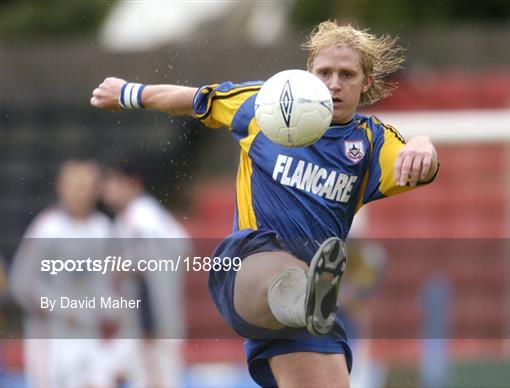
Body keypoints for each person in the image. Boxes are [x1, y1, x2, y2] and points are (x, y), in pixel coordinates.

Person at [91, 20, 439, 387]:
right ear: (309, 72)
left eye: (347, 74)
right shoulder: (267, 103)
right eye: (325, 72)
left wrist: (423, 146)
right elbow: (194, 100)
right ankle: (304, 293)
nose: (334, 84)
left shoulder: (372, 142)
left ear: (366, 82)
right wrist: (130, 92)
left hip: (307, 314)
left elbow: (421, 166)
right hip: (247, 266)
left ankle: (307, 298)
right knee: (283, 272)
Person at [9, 160, 113, 388]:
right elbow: (21, 283)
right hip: (52, 337)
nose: (81, 194)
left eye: (87, 187)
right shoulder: (48, 227)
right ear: (61, 188)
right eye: (76, 187)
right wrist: (61, 309)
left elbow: (107, 281)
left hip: (90, 334)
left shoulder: (103, 228)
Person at [100, 163, 190, 388]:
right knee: (103, 374)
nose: (107, 189)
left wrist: (148, 323)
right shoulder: (141, 216)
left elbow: (147, 274)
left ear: (133, 183)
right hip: (144, 324)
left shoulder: (141, 218)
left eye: (114, 182)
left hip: (151, 326)